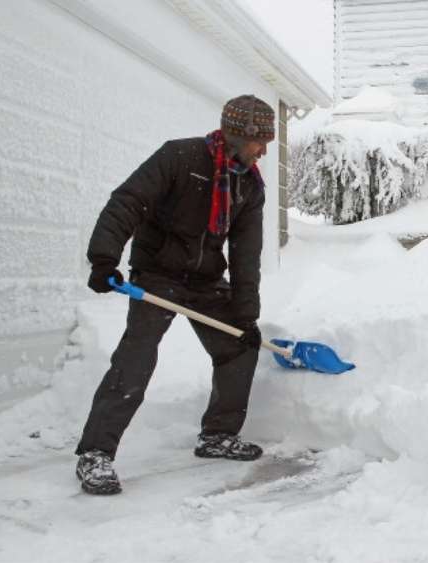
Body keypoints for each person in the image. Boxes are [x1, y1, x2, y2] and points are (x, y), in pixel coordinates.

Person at [74, 95, 275, 495]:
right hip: (159, 274)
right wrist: (103, 258)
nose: (264, 150)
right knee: (138, 355)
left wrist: (246, 315)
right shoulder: (180, 157)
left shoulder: (249, 186)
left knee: (239, 345)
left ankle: (217, 434)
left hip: (204, 281)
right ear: (239, 135)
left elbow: (246, 255)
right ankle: (95, 454)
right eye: (260, 141)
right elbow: (127, 201)